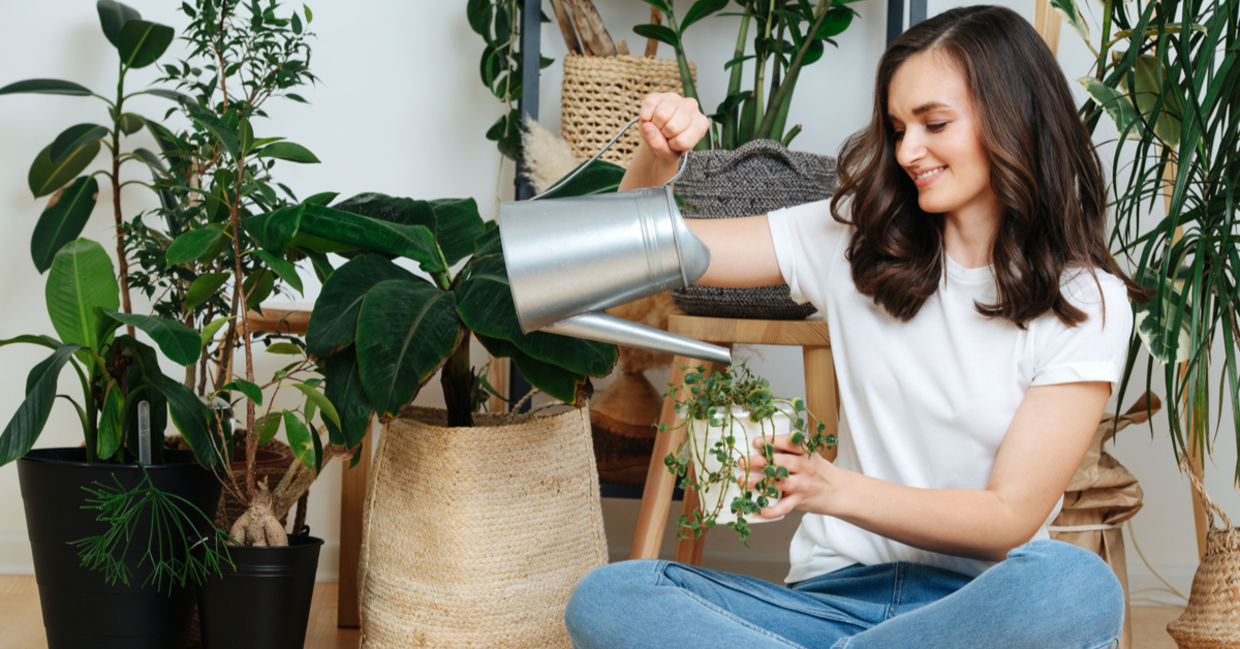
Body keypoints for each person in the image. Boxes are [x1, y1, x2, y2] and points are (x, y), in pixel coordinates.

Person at [564, 5, 1144, 649]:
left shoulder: (1085, 299)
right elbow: (630, 255)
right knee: (612, 596)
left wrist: (832, 488)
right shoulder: (853, 238)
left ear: (1015, 121)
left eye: (934, 123)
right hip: (827, 605)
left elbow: (1008, 517)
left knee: (1075, 585)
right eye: (897, 127)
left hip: (974, 615)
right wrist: (657, 160)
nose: (907, 150)